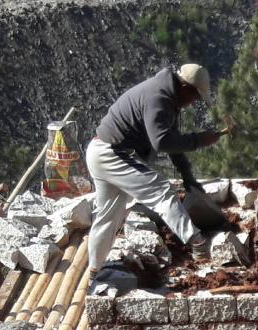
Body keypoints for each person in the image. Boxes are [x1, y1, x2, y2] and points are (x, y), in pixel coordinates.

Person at [86, 63, 225, 275]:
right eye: (195, 97)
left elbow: (174, 146)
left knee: (109, 216)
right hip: (111, 153)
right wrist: (199, 140)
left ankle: (94, 271)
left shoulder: (168, 98)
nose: (192, 103)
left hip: (101, 151)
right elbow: (162, 142)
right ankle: (197, 242)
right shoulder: (159, 98)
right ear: (186, 88)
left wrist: (189, 178)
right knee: (161, 190)